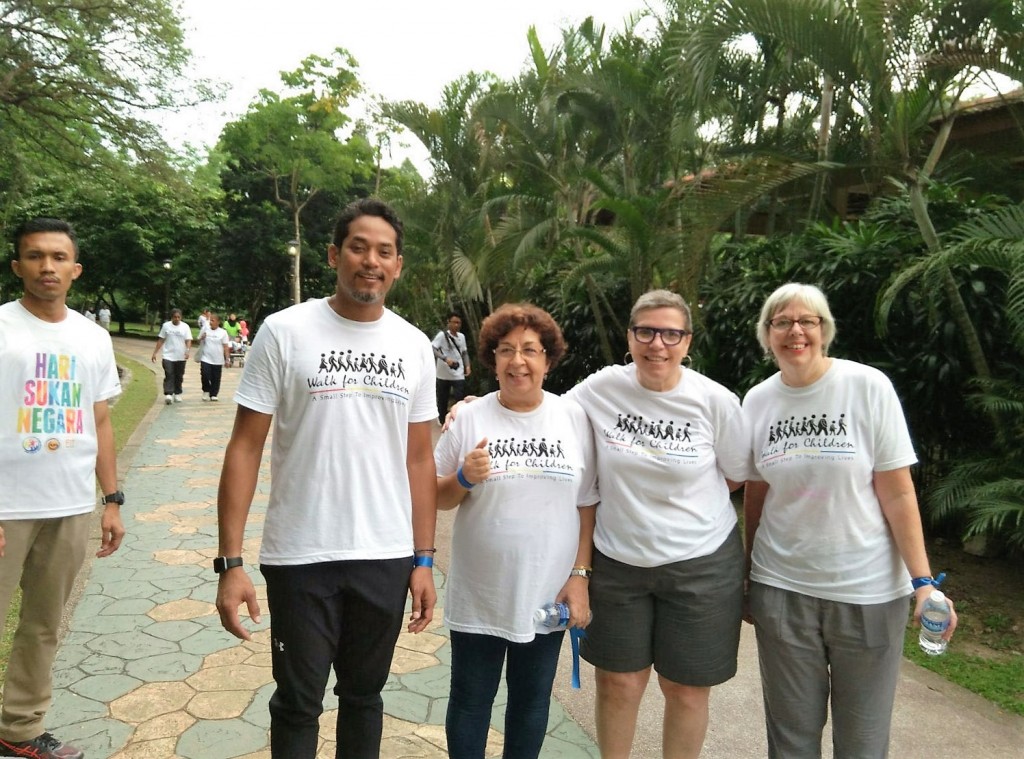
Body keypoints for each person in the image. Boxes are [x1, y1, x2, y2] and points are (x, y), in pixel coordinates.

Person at [449, 290, 751, 758]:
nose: (657, 344)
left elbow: (734, 475)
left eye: (671, 333)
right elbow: (540, 409)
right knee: (619, 684)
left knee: (686, 689)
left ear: (687, 340)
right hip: (621, 558)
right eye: (645, 332)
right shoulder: (602, 388)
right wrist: (476, 404)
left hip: (700, 562)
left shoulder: (714, 401)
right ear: (629, 338)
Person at [215, 198, 438, 758]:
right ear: (335, 255)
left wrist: (425, 559)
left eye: (384, 251)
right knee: (298, 701)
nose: (371, 261)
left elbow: (419, 460)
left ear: (398, 265)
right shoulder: (285, 331)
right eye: (359, 248)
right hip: (300, 555)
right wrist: (230, 562)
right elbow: (245, 446)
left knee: (364, 697)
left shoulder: (413, 345)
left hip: (384, 555)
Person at [742, 282, 958, 758]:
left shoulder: (867, 386)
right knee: (791, 737)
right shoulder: (757, 401)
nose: (795, 331)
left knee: (862, 740)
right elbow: (757, 493)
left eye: (808, 321)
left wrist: (923, 582)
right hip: (783, 589)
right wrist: (747, 573)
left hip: (868, 594)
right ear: (767, 334)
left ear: (825, 331)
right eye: (782, 322)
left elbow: (898, 491)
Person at [435, 303, 597, 759]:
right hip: (481, 590)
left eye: (530, 350)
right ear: (491, 358)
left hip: (548, 592)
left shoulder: (573, 417)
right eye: (506, 350)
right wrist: (464, 477)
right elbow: (433, 494)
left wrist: (580, 576)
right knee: (470, 700)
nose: (518, 361)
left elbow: (587, 502)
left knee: (530, 701)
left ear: (548, 360)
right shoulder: (469, 418)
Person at [0, 217, 126, 759]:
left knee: (43, 625)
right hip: (7, 506)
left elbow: (98, 420)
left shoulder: (92, 337)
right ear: (17, 266)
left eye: (57, 258)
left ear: (75, 269)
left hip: (71, 505)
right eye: (34, 256)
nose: (46, 267)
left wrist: (112, 499)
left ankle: (18, 729)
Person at [431, 312, 472, 425]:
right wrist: (445, 358)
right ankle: (443, 420)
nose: (456, 325)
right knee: (442, 398)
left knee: (460, 396)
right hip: (443, 373)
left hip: (458, 372)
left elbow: (464, 352)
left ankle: (458, 420)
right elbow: (432, 348)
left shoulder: (462, 337)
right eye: (454, 322)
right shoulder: (442, 336)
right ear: (448, 323)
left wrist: (467, 365)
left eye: (458, 323)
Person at [151, 308, 192, 404]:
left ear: (181, 317)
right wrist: (155, 352)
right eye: (175, 317)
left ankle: (177, 393)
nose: (177, 319)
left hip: (180, 356)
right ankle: (168, 393)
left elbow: (188, 340)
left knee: (179, 375)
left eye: (178, 317)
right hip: (168, 355)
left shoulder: (185, 327)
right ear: (171, 317)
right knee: (169, 373)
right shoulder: (166, 326)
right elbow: (161, 339)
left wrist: (187, 351)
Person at [197, 312, 230, 401]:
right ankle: (206, 390)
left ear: (218, 322)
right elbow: (198, 341)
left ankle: (214, 394)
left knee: (216, 377)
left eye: (213, 320)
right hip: (206, 357)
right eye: (210, 320)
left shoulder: (223, 332)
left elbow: (226, 346)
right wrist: (202, 338)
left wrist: (227, 359)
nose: (210, 322)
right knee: (205, 374)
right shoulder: (206, 330)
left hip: (217, 359)